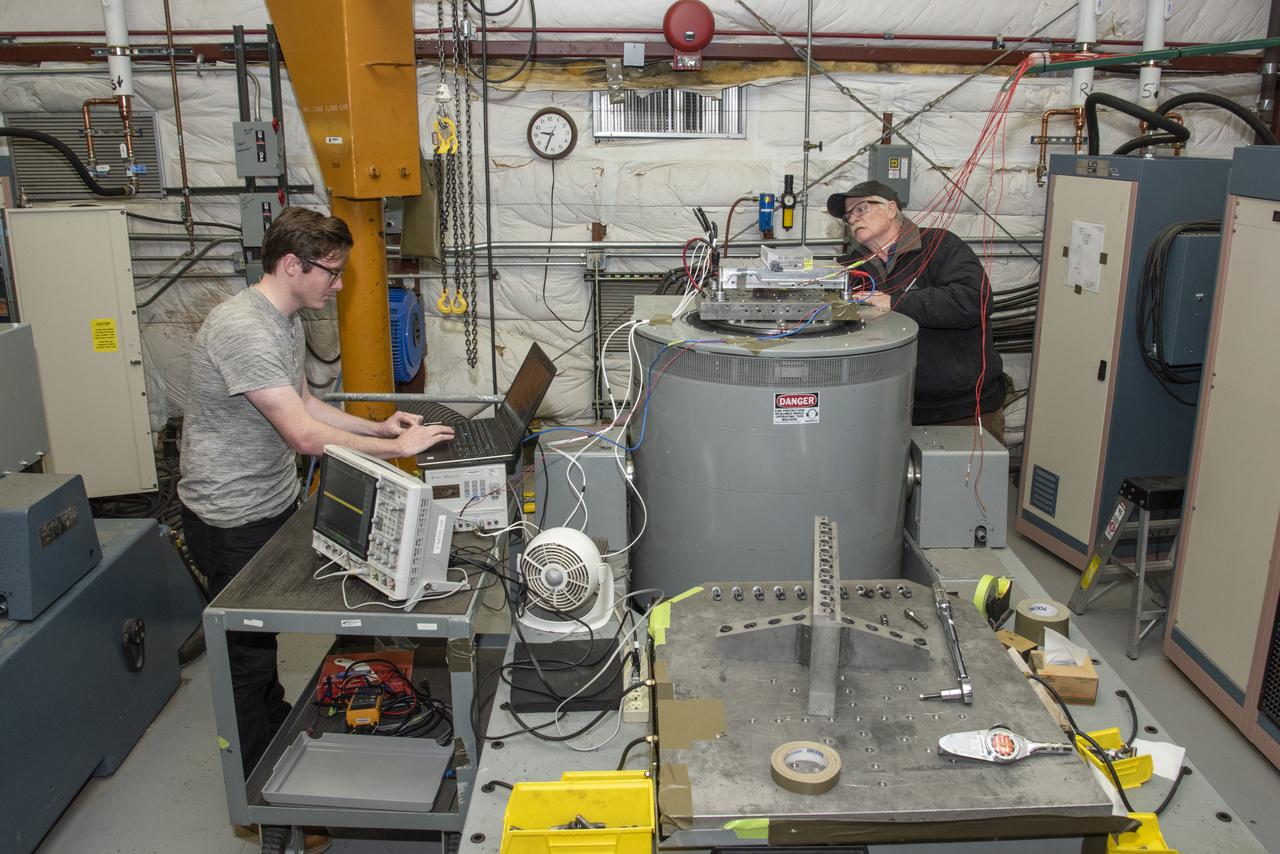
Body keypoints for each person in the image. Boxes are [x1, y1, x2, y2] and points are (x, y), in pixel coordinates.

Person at [178, 207, 454, 788]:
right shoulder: (245, 330)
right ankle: (255, 784)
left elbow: (304, 401)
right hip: (230, 513)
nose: (337, 283)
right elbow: (304, 437)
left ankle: (278, 733)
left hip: (270, 497)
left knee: (261, 644)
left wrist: (379, 427)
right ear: (289, 265)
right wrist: (399, 450)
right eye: (330, 272)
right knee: (246, 657)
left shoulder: (285, 318)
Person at [826, 180, 1006, 443]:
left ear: (890, 209)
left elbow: (974, 299)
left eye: (861, 208)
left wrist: (896, 302)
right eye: (848, 215)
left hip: (962, 409)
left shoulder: (938, 245)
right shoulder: (851, 270)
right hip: (890, 409)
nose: (853, 218)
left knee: (960, 483)